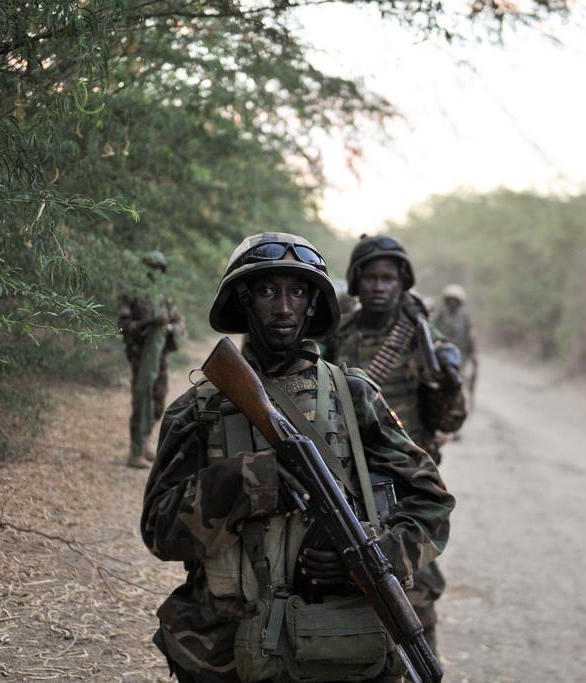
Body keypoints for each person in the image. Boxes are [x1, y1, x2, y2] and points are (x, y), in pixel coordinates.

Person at [141, 233, 454, 683]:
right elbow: (159, 532)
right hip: (223, 652)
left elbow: (432, 502)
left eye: (298, 291)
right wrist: (248, 482)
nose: (284, 307)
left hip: (340, 648)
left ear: (313, 305)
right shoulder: (198, 409)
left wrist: (370, 560)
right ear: (243, 302)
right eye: (267, 291)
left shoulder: (355, 396)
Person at [324, 234, 466, 658]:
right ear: (356, 281)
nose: (380, 286)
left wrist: (444, 381)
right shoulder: (340, 334)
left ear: (403, 283)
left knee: (415, 585)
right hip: (346, 476)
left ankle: (421, 662)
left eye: (389, 278)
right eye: (371, 277)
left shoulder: (423, 339)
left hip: (405, 480)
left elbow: (450, 420)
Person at [118, 251, 184, 469]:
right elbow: (124, 325)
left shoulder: (164, 296)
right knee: (141, 398)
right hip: (140, 356)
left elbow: (179, 325)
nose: (155, 271)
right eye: (151, 267)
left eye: (159, 267)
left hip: (160, 356)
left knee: (158, 402)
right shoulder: (133, 294)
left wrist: (169, 327)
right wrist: (148, 322)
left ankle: (146, 439)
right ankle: (134, 450)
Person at [432, 284, 478, 416]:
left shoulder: (464, 318)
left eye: (455, 300)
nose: (452, 303)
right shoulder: (439, 316)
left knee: (457, 389)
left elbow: (470, 338)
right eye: (450, 300)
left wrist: (474, 356)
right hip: (440, 358)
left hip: (460, 360)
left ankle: (455, 419)